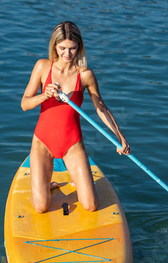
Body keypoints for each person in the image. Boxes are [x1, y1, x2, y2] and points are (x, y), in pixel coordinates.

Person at [21, 21, 131, 213]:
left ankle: (75, 180)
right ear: (54, 46)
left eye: (72, 48)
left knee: (90, 205)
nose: (67, 54)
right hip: (42, 143)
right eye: (62, 48)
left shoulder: (85, 75)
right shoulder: (42, 67)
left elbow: (101, 107)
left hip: (72, 144)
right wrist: (44, 95)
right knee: (40, 207)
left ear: (79, 47)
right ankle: (45, 185)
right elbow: (24, 104)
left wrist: (119, 138)